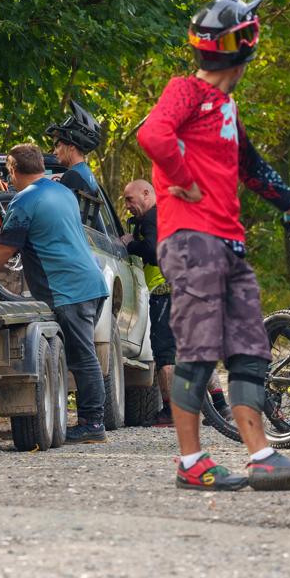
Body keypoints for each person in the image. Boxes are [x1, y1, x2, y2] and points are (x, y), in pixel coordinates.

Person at [135, 0, 290, 492]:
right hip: (191, 240)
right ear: (247, 48)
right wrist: (184, 177)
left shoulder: (225, 109)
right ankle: (190, 461)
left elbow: (250, 165)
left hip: (229, 242)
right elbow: (152, 134)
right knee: (198, 350)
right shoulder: (186, 91)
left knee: (249, 347)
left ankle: (261, 455)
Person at [0, 144, 113, 442]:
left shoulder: (25, 200)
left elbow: (6, 247)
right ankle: (92, 420)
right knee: (82, 352)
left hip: (68, 289)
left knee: (83, 355)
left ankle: (94, 423)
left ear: (13, 170)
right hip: (91, 282)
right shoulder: (62, 192)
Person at [122, 179, 175, 427]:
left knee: (165, 354)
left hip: (165, 291)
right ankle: (219, 405)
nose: (128, 206)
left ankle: (171, 412)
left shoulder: (151, 217)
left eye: (130, 200)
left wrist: (130, 244)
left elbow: (154, 250)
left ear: (146, 193)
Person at [47, 99, 110, 233]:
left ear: (71, 147)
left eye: (57, 145)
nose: (54, 152)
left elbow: (60, 222)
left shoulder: (73, 176)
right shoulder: (86, 174)